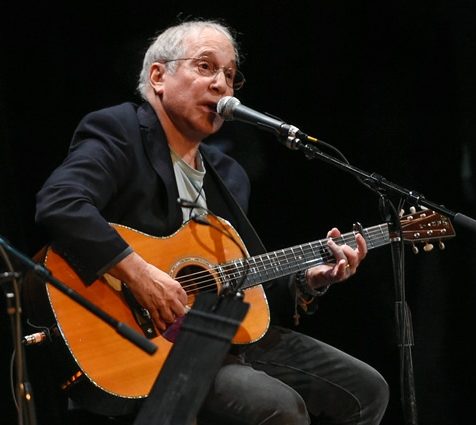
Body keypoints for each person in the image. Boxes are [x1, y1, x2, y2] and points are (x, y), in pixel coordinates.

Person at [26, 18, 389, 425]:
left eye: (230, 75)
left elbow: (240, 281)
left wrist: (308, 280)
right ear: (158, 76)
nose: (221, 85)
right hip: (149, 346)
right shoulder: (121, 131)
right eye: (205, 67)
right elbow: (61, 202)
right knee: (278, 406)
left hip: (222, 336)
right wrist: (139, 274)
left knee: (367, 390)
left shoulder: (229, 175)